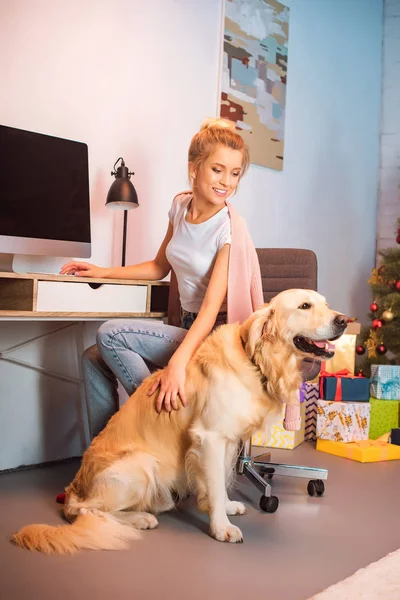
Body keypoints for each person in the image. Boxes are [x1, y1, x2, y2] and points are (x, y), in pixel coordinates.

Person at [61, 118, 313, 441]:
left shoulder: (228, 229)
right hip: (185, 328)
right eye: (218, 170)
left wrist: (178, 365)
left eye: (235, 173)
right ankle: (104, 459)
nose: (227, 182)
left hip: (214, 338)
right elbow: (158, 266)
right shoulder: (180, 207)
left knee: (109, 334)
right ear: (194, 168)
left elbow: (210, 309)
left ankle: (155, 428)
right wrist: (102, 271)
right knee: (93, 359)